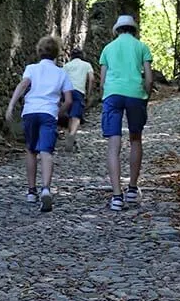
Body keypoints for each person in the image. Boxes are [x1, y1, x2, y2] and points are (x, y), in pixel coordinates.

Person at [5, 35, 74, 212]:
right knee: (46, 151)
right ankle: (45, 189)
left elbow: (23, 84)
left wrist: (11, 105)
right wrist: (57, 113)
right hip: (48, 113)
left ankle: (30, 191)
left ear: (39, 51)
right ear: (57, 54)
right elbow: (68, 101)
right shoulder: (62, 73)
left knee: (30, 149)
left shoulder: (31, 68)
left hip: (30, 111)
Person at [99, 15, 153, 211]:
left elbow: (103, 81)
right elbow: (148, 77)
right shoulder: (142, 47)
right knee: (135, 139)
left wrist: (105, 95)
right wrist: (145, 95)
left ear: (117, 30)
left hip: (113, 94)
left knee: (114, 144)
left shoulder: (108, 49)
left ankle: (116, 196)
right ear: (133, 29)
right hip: (135, 94)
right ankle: (132, 189)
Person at [60, 47, 95, 152]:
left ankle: (72, 138)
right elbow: (92, 79)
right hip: (79, 91)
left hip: (67, 92)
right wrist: (89, 93)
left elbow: (61, 79)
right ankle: (72, 135)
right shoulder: (86, 65)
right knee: (76, 116)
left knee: (69, 116)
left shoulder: (66, 66)